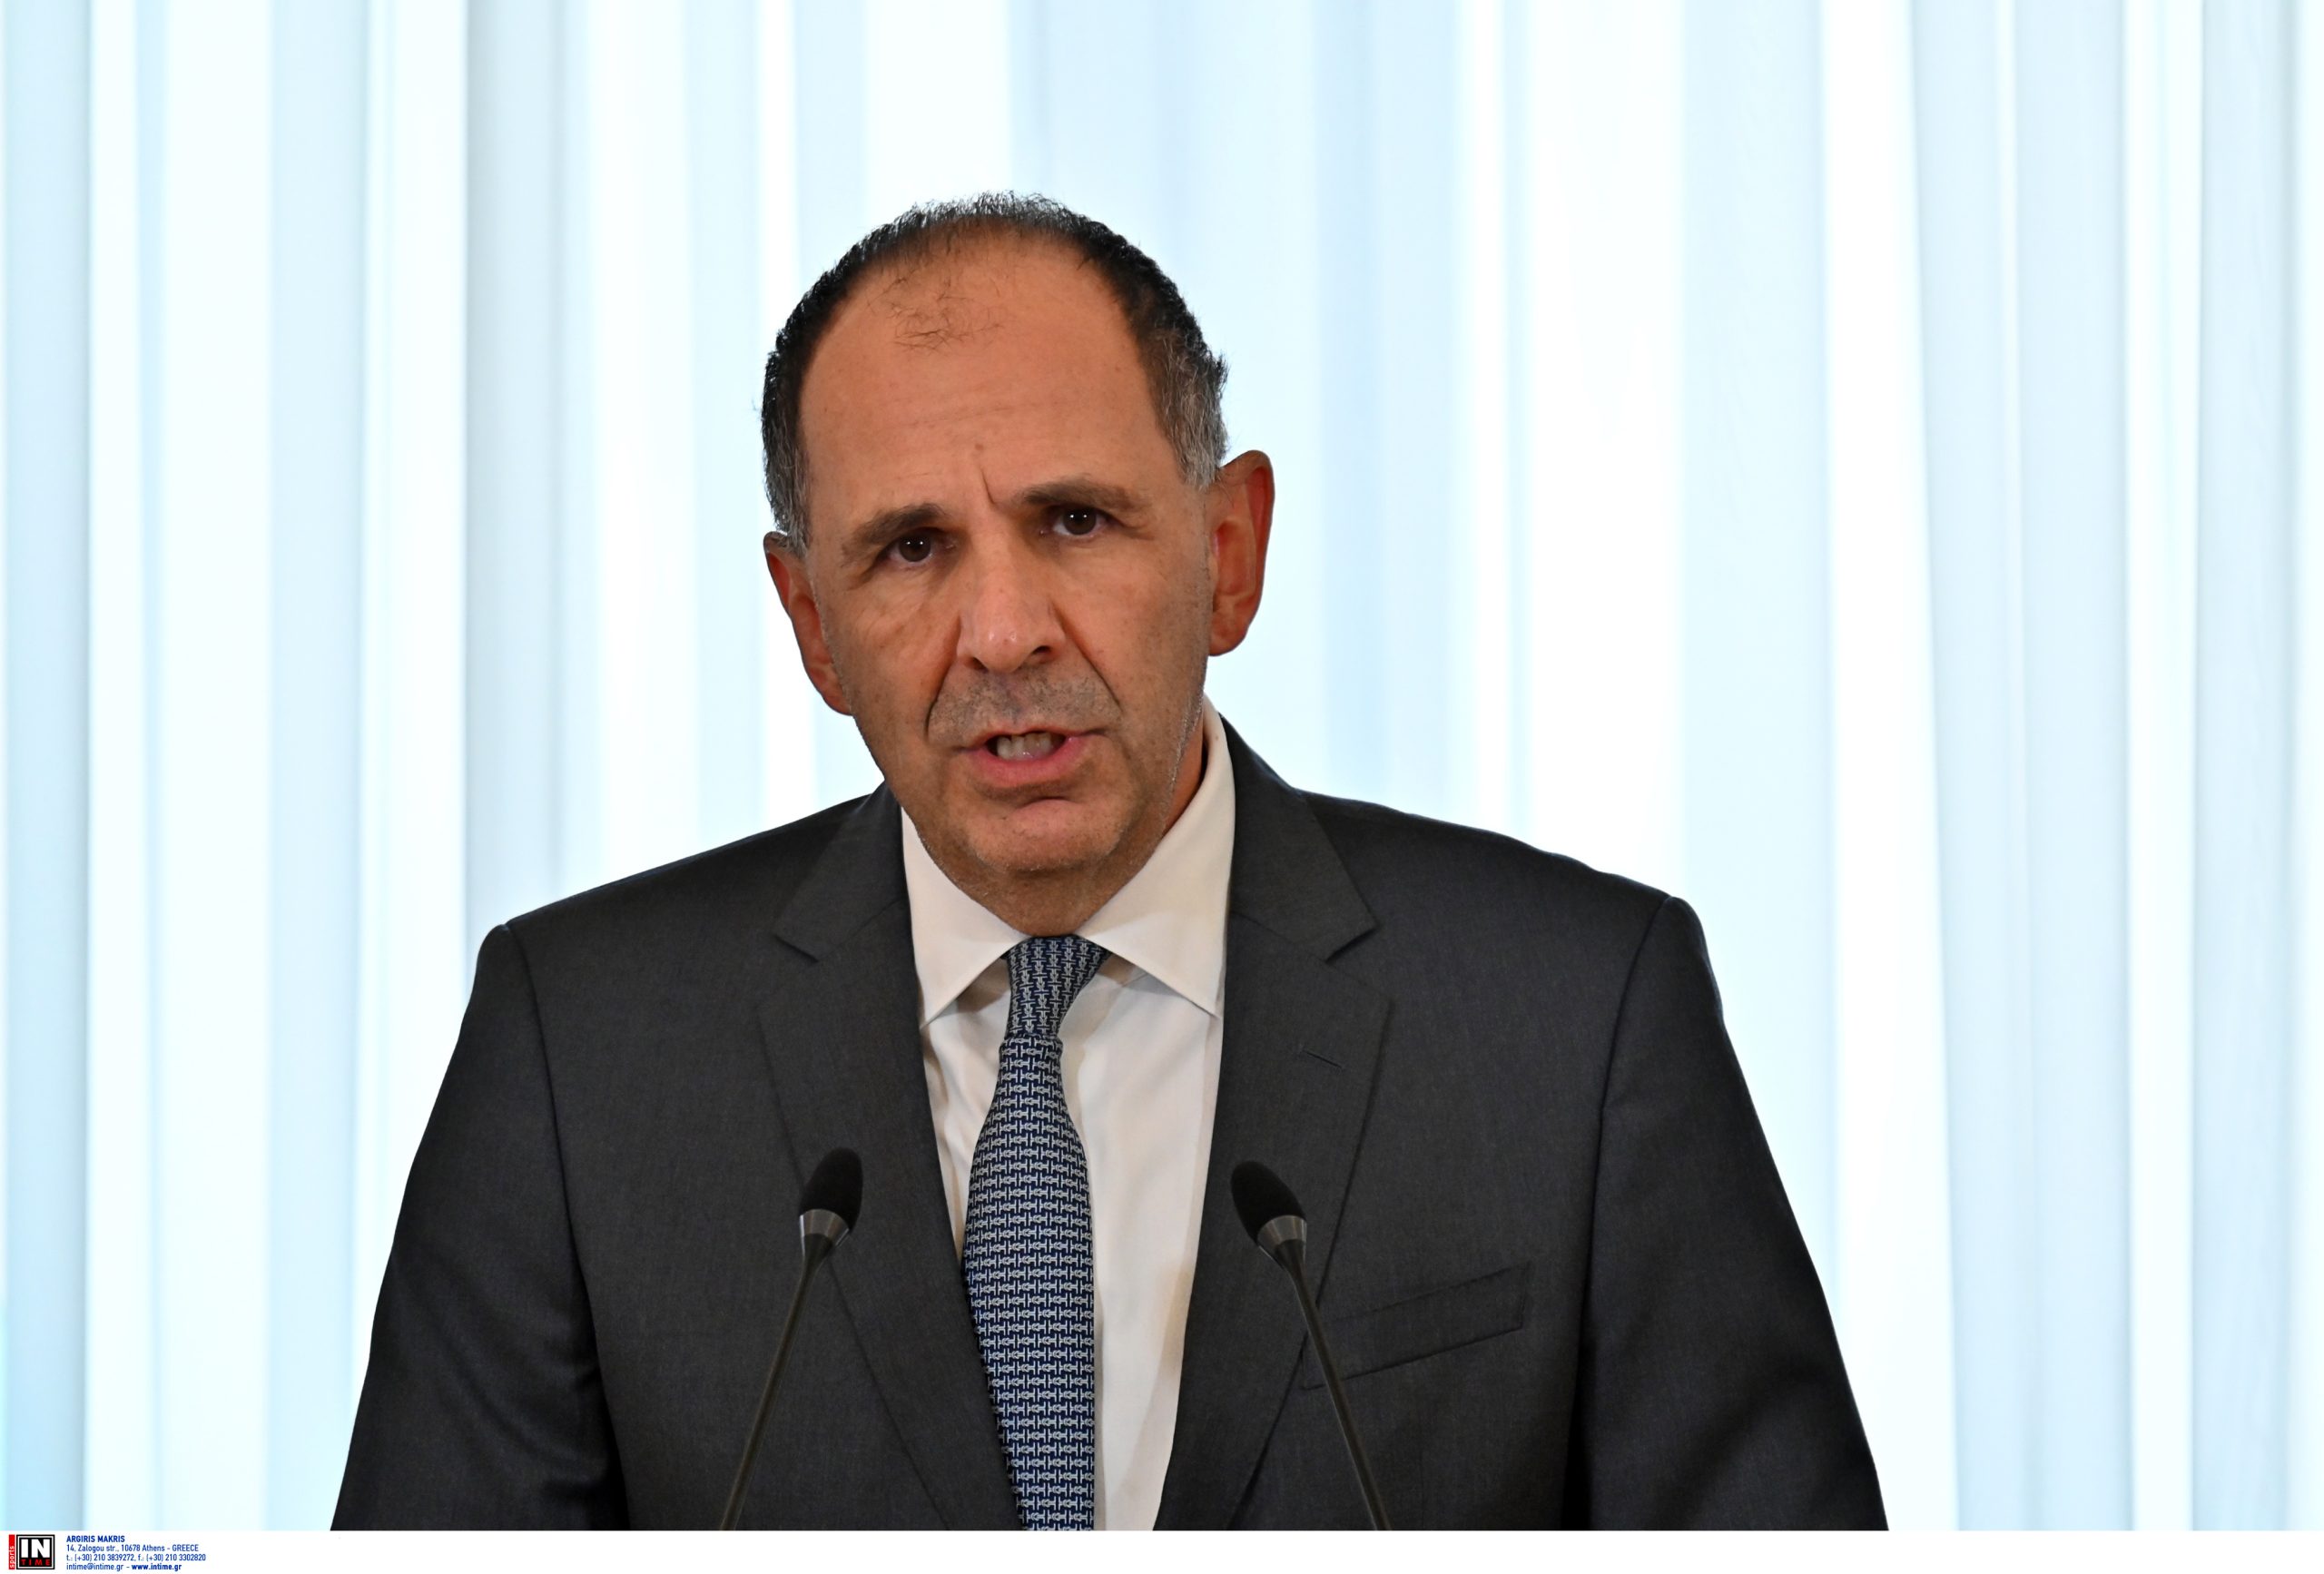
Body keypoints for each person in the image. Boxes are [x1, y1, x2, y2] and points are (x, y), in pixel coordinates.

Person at [334, 193, 1885, 1530]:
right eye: (912, 549)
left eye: (1075, 521)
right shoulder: (581, 1054)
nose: (1005, 632)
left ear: (1228, 553)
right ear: (812, 625)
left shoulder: (1576, 1020)